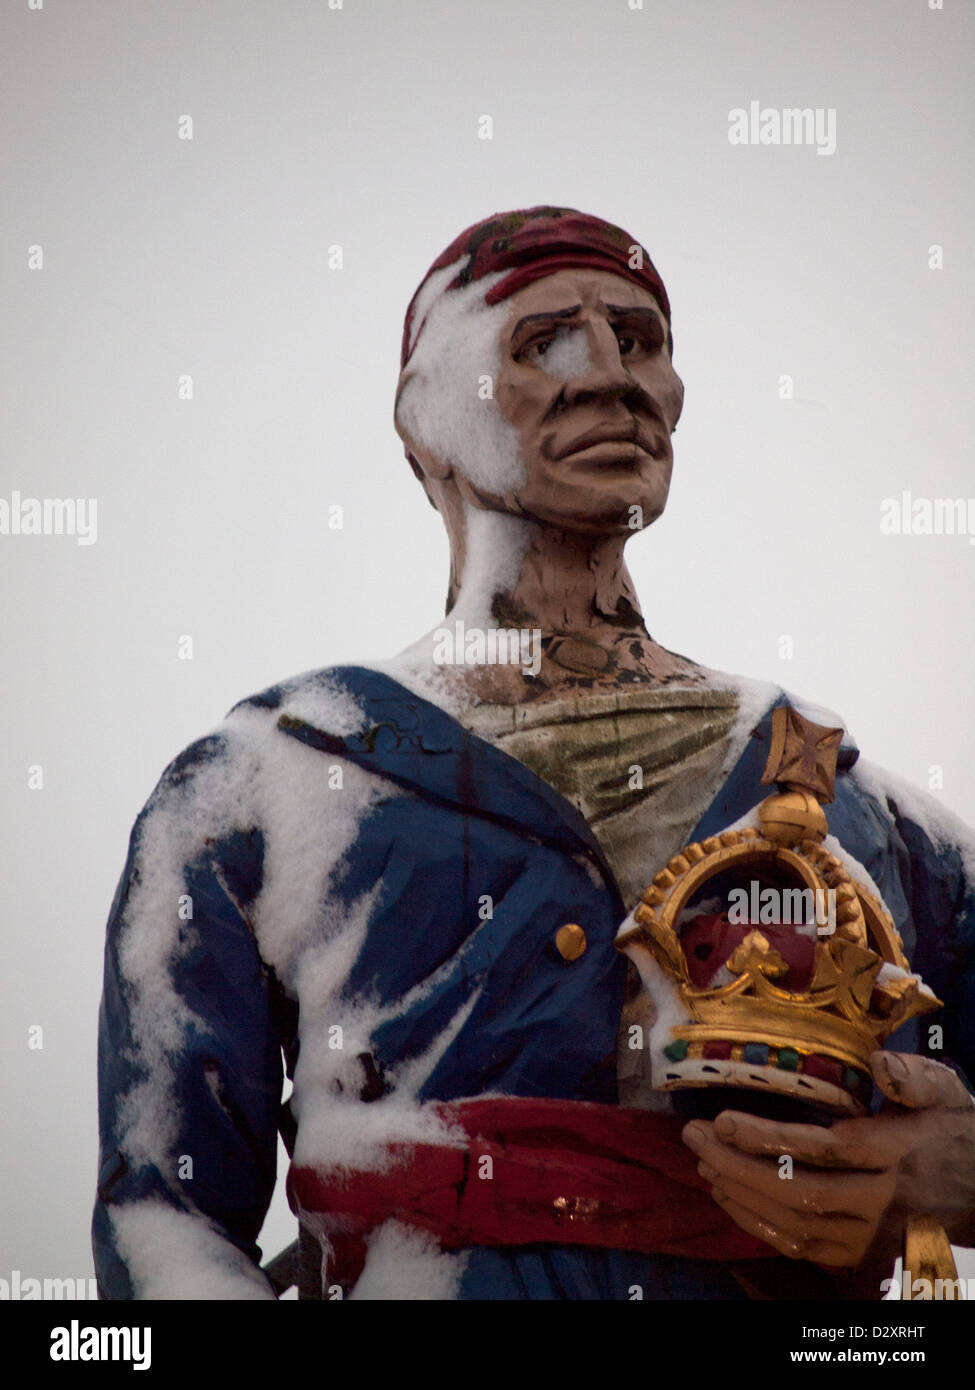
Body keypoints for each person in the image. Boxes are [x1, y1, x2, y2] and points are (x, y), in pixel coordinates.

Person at [93, 206, 975, 1301]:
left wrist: (956, 1173)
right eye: (546, 342)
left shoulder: (860, 807)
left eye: (641, 342)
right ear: (428, 423)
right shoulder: (259, 787)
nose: (612, 379)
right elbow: (164, 1223)